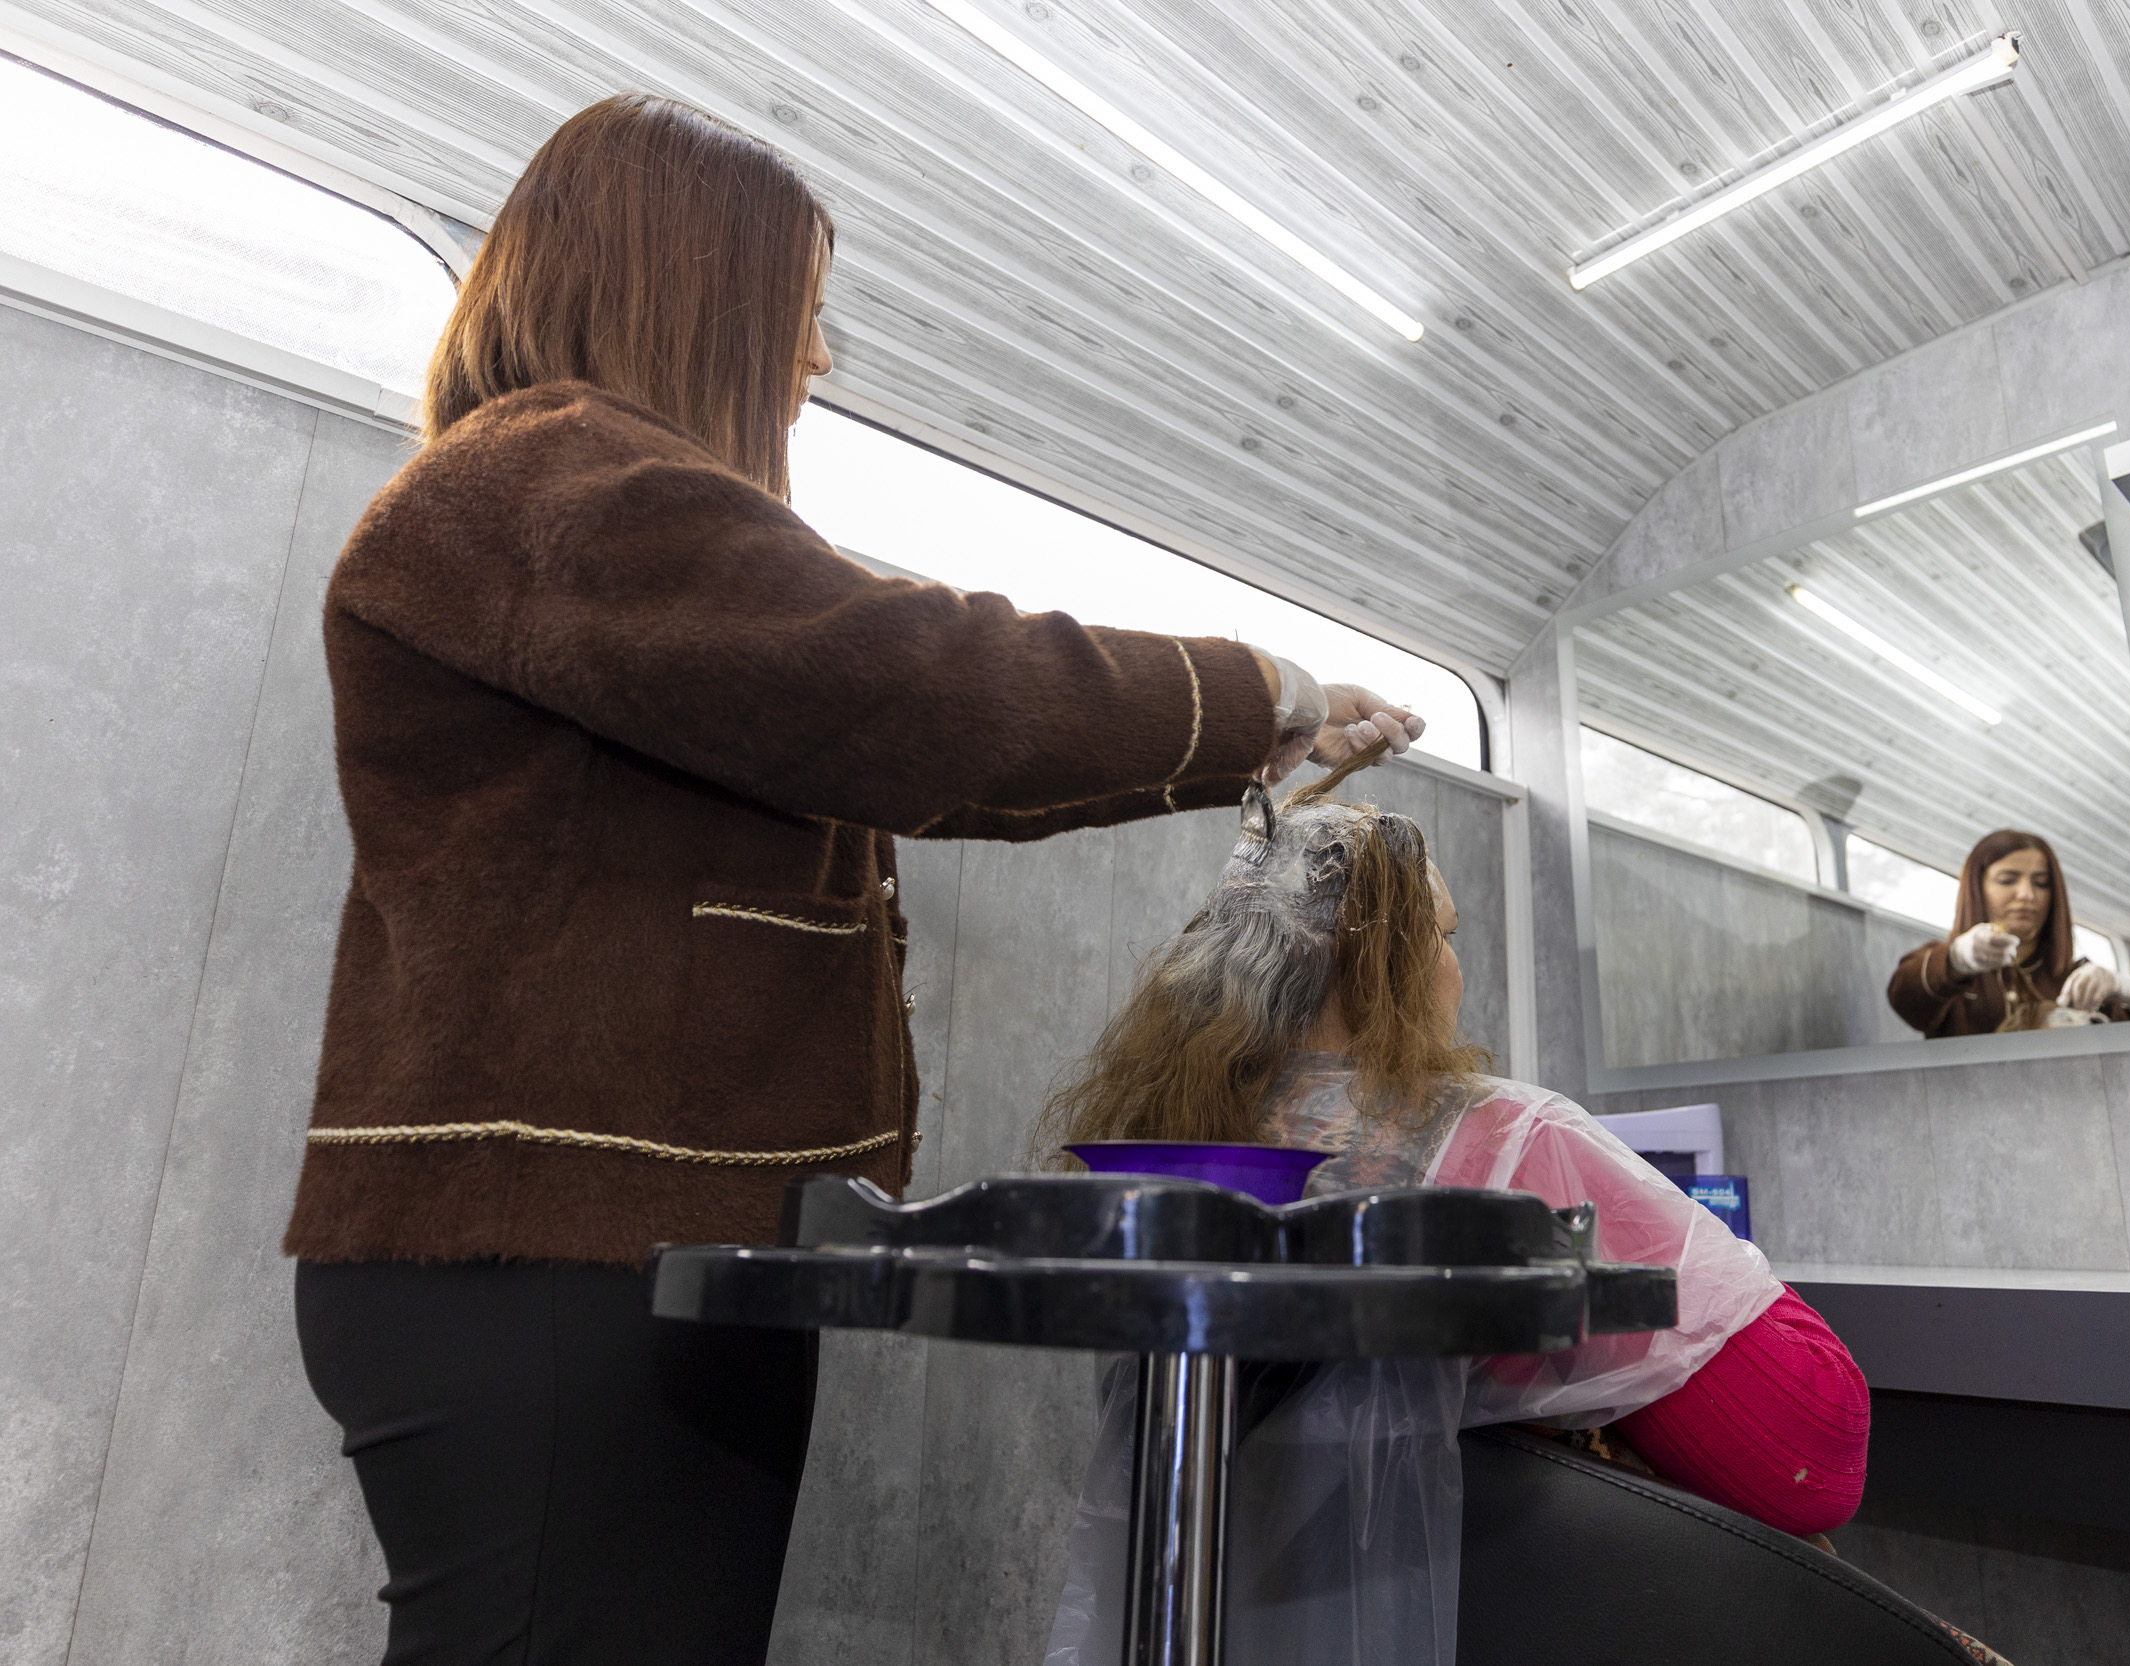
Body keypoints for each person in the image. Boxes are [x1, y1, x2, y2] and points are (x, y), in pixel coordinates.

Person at [284, 94, 1424, 1666]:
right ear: (692, 290)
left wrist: (1253, 736)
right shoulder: (545, 481)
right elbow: (913, 688)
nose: (815, 358)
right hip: (549, 1268)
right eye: (800, 311)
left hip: (618, 1247)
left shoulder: (575, 517)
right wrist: (1257, 690)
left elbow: (907, 746)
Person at [1036, 747, 1870, 1592]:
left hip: (1237, 1599)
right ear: (1383, 963)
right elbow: (1808, 1460)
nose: (1452, 966)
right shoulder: (1510, 1143)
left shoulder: (1180, 1146)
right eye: (1442, 936)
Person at [1889, 827, 2130, 1039]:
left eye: (2041, 883)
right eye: (2008, 880)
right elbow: (1905, 998)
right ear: (1977, 889)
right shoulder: (1947, 974)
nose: (2027, 895)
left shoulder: (2080, 982)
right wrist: (1956, 959)